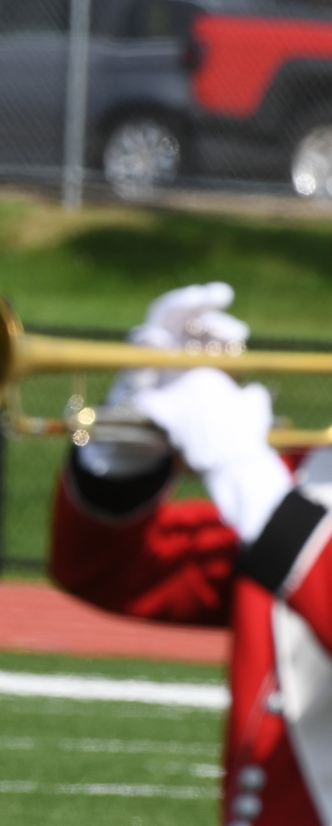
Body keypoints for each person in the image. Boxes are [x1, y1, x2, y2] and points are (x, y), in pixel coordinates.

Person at [49, 283, 332, 826]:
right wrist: (121, 451)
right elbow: (110, 571)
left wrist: (249, 480)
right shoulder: (312, 477)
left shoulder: (283, 492)